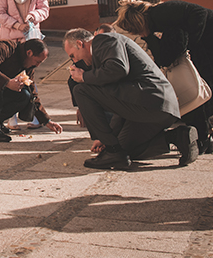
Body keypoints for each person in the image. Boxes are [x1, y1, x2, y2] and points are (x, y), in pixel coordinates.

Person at [115, 0, 213, 153]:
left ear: (137, 22)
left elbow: (199, 12)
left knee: (199, 86)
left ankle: (204, 138)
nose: (137, 34)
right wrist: (149, 36)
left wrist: (193, 43)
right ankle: (207, 136)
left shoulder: (161, 12)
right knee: (200, 86)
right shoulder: (159, 20)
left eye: (135, 30)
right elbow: (164, 57)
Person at [64, 28, 198, 170]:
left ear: (80, 43)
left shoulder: (105, 41)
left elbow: (118, 68)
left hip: (151, 101)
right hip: (150, 109)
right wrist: (107, 138)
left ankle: (112, 151)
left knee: (81, 90)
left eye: (73, 55)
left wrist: (83, 77)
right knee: (124, 151)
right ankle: (178, 137)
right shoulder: (102, 54)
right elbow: (118, 101)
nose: (75, 61)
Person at [0, 38, 63, 142]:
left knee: (25, 95)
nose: (37, 65)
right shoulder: (5, 47)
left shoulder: (29, 66)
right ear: (29, 53)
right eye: (37, 61)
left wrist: (46, 120)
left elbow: (33, 94)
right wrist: (7, 82)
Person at [0, 0, 50, 130]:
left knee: (29, 79)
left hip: (30, 38)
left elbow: (44, 8)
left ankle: (33, 116)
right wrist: (17, 25)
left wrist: (33, 17)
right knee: (11, 77)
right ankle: (12, 117)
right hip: (10, 39)